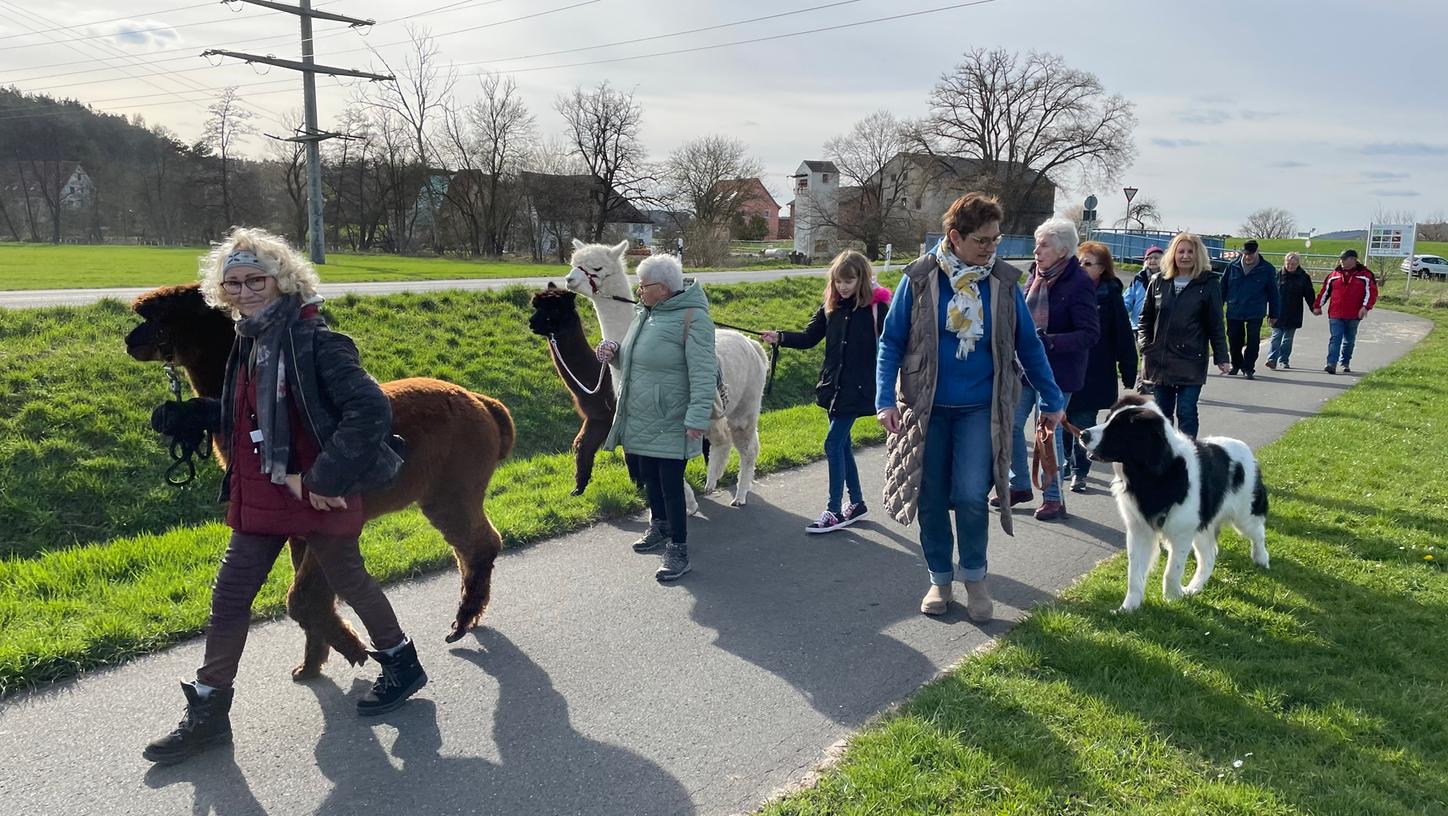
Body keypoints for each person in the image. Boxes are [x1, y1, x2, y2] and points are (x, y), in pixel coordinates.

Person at [143, 228, 422, 766]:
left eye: (255, 280)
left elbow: (369, 412)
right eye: (233, 283)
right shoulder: (248, 341)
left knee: (349, 580)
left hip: (316, 489)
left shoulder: (318, 341)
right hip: (261, 491)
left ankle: (401, 662)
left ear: (283, 280)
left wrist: (324, 479)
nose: (244, 291)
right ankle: (209, 711)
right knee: (229, 597)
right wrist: (199, 416)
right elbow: (248, 413)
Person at [876, 192, 1064, 621]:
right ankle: (940, 580)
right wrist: (884, 398)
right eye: (983, 240)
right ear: (955, 237)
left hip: (981, 408)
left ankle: (975, 578)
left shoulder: (1002, 282)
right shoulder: (920, 279)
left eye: (996, 240)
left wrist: (1051, 397)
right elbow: (891, 342)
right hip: (927, 408)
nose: (991, 248)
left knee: (971, 496)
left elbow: (1028, 344)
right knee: (930, 497)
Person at [597, 253, 717, 581]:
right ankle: (659, 527)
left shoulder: (694, 318)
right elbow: (635, 361)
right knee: (648, 475)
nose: (639, 291)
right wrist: (614, 354)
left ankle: (679, 548)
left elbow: (704, 373)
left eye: (643, 286)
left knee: (671, 485)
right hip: (640, 414)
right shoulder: (645, 315)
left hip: (672, 417)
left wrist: (696, 417)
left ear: (662, 289)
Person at [761, 250, 891, 533]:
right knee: (842, 445)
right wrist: (780, 337)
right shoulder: (831, 306)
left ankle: (834, 510)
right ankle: (856, 503)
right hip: (833, 387)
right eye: (838, 281)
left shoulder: (877, 309)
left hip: (859, 389)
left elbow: (894, 347)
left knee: (832, 444)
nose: (843, 287)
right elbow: (809, 338)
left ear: (862, 278)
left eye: (849, 280)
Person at [999, 217, 1099, 521]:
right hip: (1026, 367)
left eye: (1043, 245)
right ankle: (1019, 485)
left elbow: (1090, 334)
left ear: (1063, 250)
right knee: (1013, 424)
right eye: (1036, 243)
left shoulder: (1079, 283)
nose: (1036, 250)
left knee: (1047, 432)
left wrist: (1050, 342)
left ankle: (1054, 499)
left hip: (1059, 372)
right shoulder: (1035, 275)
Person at [1138, 232, 1231, 438]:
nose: (1185, 256)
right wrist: (1145, 345)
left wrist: (1222, 357)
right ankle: (1164, 457)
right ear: (1173, 254)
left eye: (1190, 252)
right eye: (1181, 251)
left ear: (1198, 255)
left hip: (1191, 360)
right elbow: (1145, 318)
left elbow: (1216, 324)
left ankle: (1189, 457)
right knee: (1162, 414)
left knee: (1186, 412)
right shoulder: (1158, 281)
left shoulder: (1208, 284)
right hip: (1160, 360)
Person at [1062, 242, 1137, 493]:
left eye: (1088, 263)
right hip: (1066, 367)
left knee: (1084, 422)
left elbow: (1123, 335)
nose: (1082, 267)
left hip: (1094, 372)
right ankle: (1066, 460)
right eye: (1079, 262)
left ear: (1102, 269)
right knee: (1062, 420)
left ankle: (1079, 471)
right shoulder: (1066, 289)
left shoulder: (1110, 296)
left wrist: (1128, 369)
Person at [1220, 239, 1280, 380]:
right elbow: (1222, 288)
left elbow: (1274, 293)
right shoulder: (1232, 267)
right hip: (1235, 308)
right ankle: (1236, 364)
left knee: (1253, 340)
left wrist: (1274, 313)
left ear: (1257, 252)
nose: (1248, 257)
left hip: (1255, 310)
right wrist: (1217, 307)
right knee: (1234, 339)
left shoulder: (1267, 269)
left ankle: (1248, 367)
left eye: (1251, 254)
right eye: (1246, 254)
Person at [1313, 248, 1378, 374]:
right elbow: (1325, 292)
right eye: (1341, 259)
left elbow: (1372, 293)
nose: (1341, 261)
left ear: (1353, 260)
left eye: (1344, 259)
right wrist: (1317, 306)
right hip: (1336, 313)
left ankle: (1345, 362)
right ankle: (1331, 363)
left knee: (1349, 340)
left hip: (1354, 314)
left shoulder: (1365, 275)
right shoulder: (1334, 275)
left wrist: (1365, 307)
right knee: (1335, 338)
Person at [1265, 251, 1317, 370]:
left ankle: (1284, 360)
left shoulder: (1304, 277)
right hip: (1277, 312)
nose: (1290, 266)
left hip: (1294, 312)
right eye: (1288, 263)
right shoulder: (1277, 275)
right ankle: (1272, 359)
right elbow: (1269, 292)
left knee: (1287, 339)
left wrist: (1313, 307)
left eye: (1293, 264)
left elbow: (1309, 294)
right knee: (1276, 336)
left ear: (1298, 264)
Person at [1123, 244, 1162, 331]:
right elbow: (1128, 299)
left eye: (1156, 258)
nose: (1152, 260)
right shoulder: (1139, 278)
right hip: (1138, 325)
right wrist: (1119, 311)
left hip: (1158, 328)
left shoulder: (1167, 279)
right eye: (1149, 258)